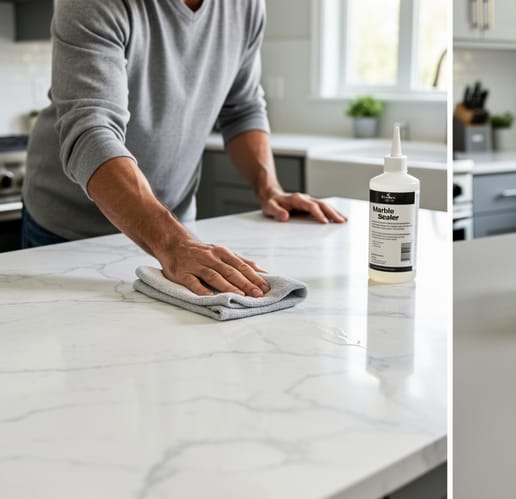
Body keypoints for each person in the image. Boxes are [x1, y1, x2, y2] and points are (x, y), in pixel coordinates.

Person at [22, 0, 345, 298]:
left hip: (174, 228)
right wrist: (174, 242)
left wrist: (269, 189)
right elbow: (91, 132)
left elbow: (242, 107)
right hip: (70, 232)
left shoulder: (245, 5)